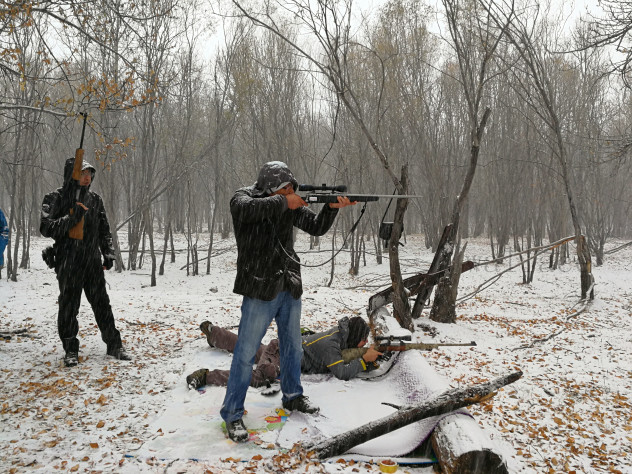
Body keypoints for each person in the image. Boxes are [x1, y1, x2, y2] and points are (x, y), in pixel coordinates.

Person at [220, 161, 355, 443]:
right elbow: (248, 210)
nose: (290, 193)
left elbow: (315, 227)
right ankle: (232, 414)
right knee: (245, 354)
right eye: (284, 189)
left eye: (291, 189)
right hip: (259, 288)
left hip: (288, 286)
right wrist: (284, 201)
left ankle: (293, 396)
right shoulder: (244, 199)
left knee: (293, 348)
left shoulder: (287, 202)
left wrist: (330, 208)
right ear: (269, 188)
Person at [40, 157, 131, 367]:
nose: (87, 177)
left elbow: (103, 229)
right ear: (72, 174)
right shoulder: (55, 198)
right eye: (82, 173)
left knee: (102, 304)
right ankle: (70, 349)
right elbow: (46, 228)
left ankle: (114, 345)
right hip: (68, 262)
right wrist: (73, 217)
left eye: (90, 173)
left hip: (91, 262)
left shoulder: (95, 200)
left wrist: (108, 252)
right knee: (69, 306)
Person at [186, 316, 382, 390]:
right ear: (355, 335)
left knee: (252, 349)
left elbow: (347, 354)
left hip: (282, 347)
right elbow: (341, 372)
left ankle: (215, 334)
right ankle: (206, 376)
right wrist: (364, 361)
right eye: (364, 339)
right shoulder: (331, 344)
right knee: (262, 376)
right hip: (282, 353)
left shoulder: (341, 335)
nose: (365, 343)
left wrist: (364, 356)